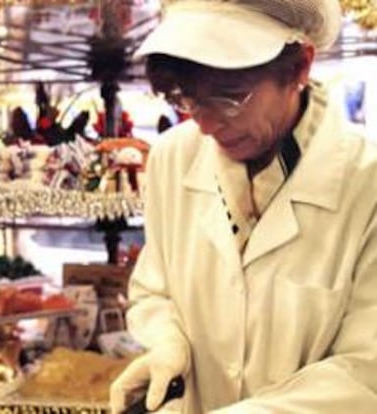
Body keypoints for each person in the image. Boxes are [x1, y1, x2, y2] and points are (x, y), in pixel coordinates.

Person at [110, 1, 377, 413]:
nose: (206, 124)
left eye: (230, 98)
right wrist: (168, 342)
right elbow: (154, 288)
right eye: (188, 98)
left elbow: (365, 371)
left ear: (300, 67)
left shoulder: (366, 184)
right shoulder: (172, 157)